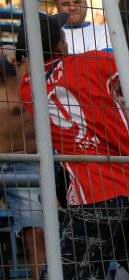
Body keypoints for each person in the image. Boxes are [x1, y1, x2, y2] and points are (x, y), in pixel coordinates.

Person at [17, 12, 129, 279]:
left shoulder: (28, 87)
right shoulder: (96, 60)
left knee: (63, 273)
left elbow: (33, 64)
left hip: (90, 195)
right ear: (60, 46)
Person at [0, 45, 45, 280]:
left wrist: (12, 53)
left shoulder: (26, 63)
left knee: (37, 232)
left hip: (26, 161)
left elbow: (9, 52)